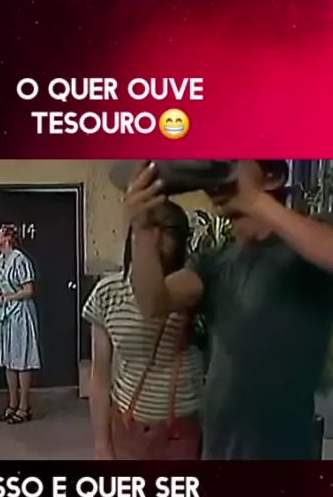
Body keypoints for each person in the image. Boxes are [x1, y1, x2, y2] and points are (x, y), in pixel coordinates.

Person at [125, 160, 333, 460]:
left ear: (273, 177)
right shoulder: (215, 262)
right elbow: (153, 303)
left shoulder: (308, 247)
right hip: (220, 451)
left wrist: (255, 199)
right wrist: (142, 232)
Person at [82, 201, 204, 460]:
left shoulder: (195, 288)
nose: (156, 240)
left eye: (167, 230)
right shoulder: (107, 294)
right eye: (147, 229)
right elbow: (100, 377)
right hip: (128, 427)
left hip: (184, 430)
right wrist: (102, 446)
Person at [0, 224, 41, 423]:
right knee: (9, 359)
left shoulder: (20, 260)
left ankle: (24, 407)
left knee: (22, 359)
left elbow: (28, 290)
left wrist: (9, 297)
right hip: (5, 314)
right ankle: (12, 404)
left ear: (8, 238)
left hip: (21, 313)